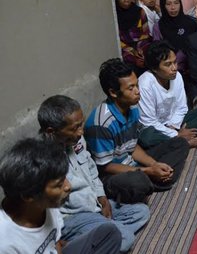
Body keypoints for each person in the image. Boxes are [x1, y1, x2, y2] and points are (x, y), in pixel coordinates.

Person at [37, 95, 150, 253]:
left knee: (141, 212)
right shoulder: (41, 160)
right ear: (51, 131)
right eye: (74, 128)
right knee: (125, 238)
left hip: (94, 204)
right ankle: (95, 237)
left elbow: (91, 169)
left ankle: (95, 238)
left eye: (81, 124)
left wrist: (102, 197)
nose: (81, 131)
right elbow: (45, 208)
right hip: (74, 217)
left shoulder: (77, 141)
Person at [84, 58, 190, 202]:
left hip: (131, 164)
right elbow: (106, 167)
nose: (138, 91)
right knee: (138, 182)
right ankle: (152, 181)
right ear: (113, 93)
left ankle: (156, 179)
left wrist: (153, 164)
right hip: (111, 175)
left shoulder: (133, 108)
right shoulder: (101, 124)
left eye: (137, 85)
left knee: (180, 143)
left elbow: (133, 148)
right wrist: (148, 171)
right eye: (131, 88)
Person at [0, 138, 122, 254]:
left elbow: (55, 242)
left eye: (65, 179)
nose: (68, 186)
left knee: (109, 233)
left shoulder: (47, 206)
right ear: (28, 195)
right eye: (58, 185)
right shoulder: (5, 242)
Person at [139, 41, 197, 149]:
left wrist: (174, 127)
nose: (174, 68)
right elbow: (148, 122)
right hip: (155, 128)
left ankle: (175, 141)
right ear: (154, 68)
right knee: (147, 137)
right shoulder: (145, 84)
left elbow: (182, 108)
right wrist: (176, 134)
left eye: (175, 62)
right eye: (168, 64)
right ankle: (182, 141)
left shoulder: (177, 76)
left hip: (175, 124)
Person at [153, 0, 197, 74]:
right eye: (168, 4)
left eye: (176, 3)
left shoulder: (192, 23)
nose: (173, 7)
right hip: (169, 72)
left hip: (192, 71)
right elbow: (157, 52)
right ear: (163, 6)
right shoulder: (158, 27)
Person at [114, 0, 152, 75]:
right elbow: (117, 41)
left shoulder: (139, 12)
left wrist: (140, 50)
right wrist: (133, 54)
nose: (126, 0)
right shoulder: (114, 15)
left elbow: (146, 33)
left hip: (142, 46)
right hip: (125, 51)